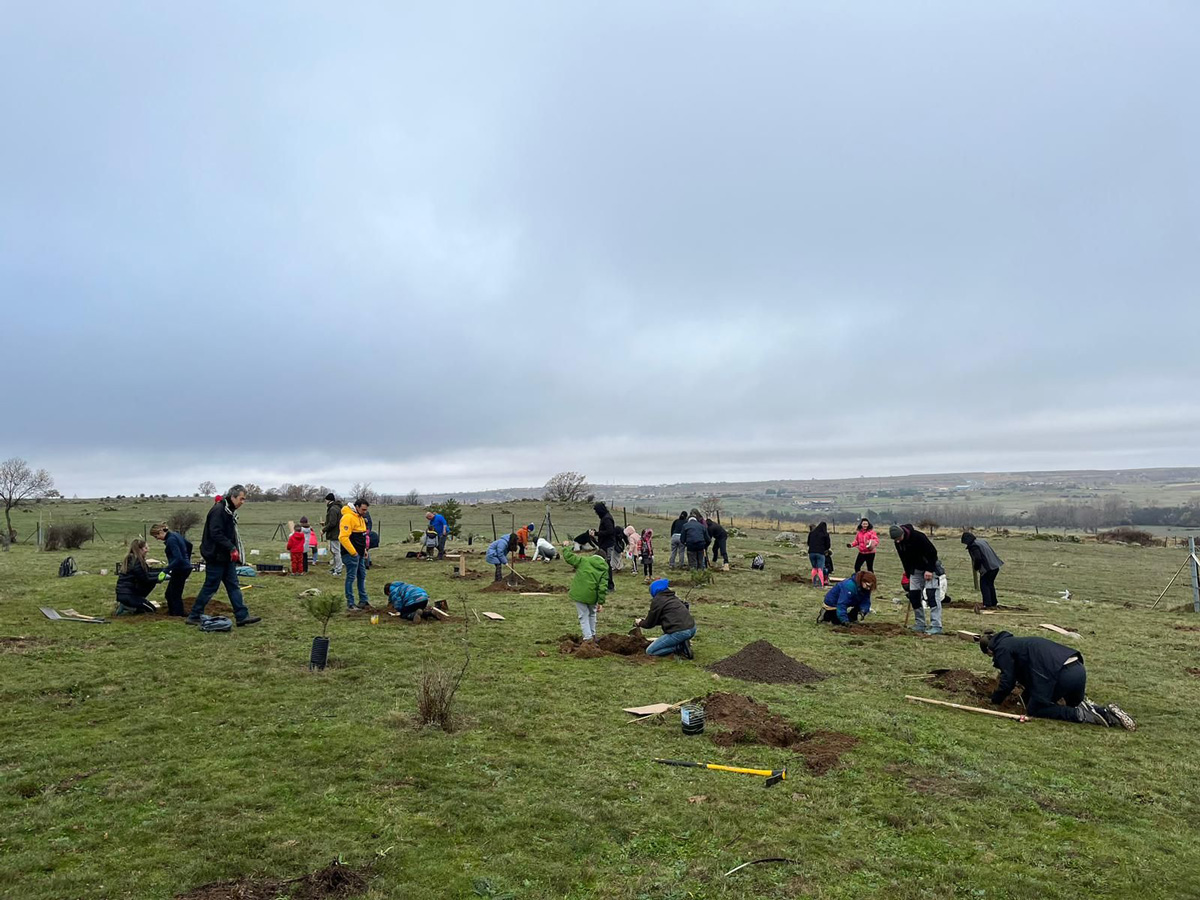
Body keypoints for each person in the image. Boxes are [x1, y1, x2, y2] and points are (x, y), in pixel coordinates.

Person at [979, 630, 1135, 730]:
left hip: (1060, 675)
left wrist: (995, 700)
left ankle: (1081, 715)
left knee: (1036, 709)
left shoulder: (1002, 649)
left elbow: (1008, 680)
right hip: (1077, 669)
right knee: (1071, 703)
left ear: (989, 650)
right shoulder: (1019, 643)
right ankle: (1106, 712)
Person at [187, 486, 260, 626]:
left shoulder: (228, 511)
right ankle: (194, 615)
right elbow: (216, 533)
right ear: (232, 497)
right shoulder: (219, 510)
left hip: (225, 557)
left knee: (233, 585)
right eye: (241, 498)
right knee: (210, 587)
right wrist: (231, 547)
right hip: (215, 556)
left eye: (244, 499)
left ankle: (242, 616)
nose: (243, 502)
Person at [890, 524, 943, 635]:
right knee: (914, 596)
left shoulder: (918, 537)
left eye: (899, 538)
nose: (898, 541)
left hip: (930, 568)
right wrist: (908, 573)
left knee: (932, 596)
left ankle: (936, 625)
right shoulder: (898, 543)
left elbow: (933, 553)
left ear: (903, 534)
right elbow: (903, 559)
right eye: (895, 540)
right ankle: (920, 624)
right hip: (915, 571)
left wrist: (929, 570)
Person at [636, 579, 696, 659]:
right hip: (692, 628)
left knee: (650, 651)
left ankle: (679, 648)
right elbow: (666, 618)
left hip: (680, 632)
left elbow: (649, 624)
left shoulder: (658, 600)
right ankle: (683, 642)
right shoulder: (673, 598)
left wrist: (640, 623)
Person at [561, 542, 608, 641]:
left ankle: (588, 638)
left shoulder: (583, 560)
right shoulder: (604, 568)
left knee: (583, 616)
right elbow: (602, 587)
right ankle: (593, 635)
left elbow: (569, 557)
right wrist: (601, 602)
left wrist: (566, 547)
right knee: (592, 614)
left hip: (579, 594)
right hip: (592, 596)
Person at [115, 538, 168, 614]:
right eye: (145, 548)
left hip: (125, 593)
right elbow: (145, 579)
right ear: (139, 549)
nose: (147, 550)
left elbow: (148, 572)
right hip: (128, 594)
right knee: (151, 610)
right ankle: (129, 607)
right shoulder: (136, 562)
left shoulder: (133, 559)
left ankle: (130, 605)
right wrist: (160, 578)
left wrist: (164, 571)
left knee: (146, 609)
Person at [151, 522, 192, 617]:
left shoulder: (171, 540)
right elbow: (189, 545)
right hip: (184, 567)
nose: (157, 539)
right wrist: (187, 560)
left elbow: (178, 558)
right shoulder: (176, 535)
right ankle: (175, 612)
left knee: (173, 594)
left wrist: (165, 571)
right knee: (171, 593)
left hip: (180, 569)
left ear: (160, 532)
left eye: (156, 536)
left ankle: (177, 614)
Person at [339, 498, 372, 610]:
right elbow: (343, 537)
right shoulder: (348, 518)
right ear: (356, 507)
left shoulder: (361, 518)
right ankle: (351, 603)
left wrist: (364, 551)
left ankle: (363, 600)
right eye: (363, 509)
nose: (365, 512)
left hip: (360, 554)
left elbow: (361, 536)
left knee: (362, 576)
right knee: (351, 577)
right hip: (350, 554)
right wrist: (353, 553)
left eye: (366, 510)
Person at [962, 532, 1004, 609]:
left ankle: (987, 604)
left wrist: (976, 567)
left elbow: (978, 558)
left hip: (988, 568)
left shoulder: (973, 546)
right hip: (995, 566)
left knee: (984, 584)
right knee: (990, 584)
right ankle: (993, 602)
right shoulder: (982, 541)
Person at [594, 502, 618, 591]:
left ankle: (610, 586)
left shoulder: (607, 519)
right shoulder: (605, 517)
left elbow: (610, 531)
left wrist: (597, 533)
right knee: (605, 564)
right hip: (604, 544)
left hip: (607, 545)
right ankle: (605, 584)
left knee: (607, 565)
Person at [323, 492, 343, 576]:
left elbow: (332, 523)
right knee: (335, 551)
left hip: (334, 534)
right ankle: (335, 568)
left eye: (325, 500)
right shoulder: (338, 507)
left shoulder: (332, 509)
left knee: (336, 552)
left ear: (328, 500)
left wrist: (324, 529)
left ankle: (338, 569)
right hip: (338, 532)